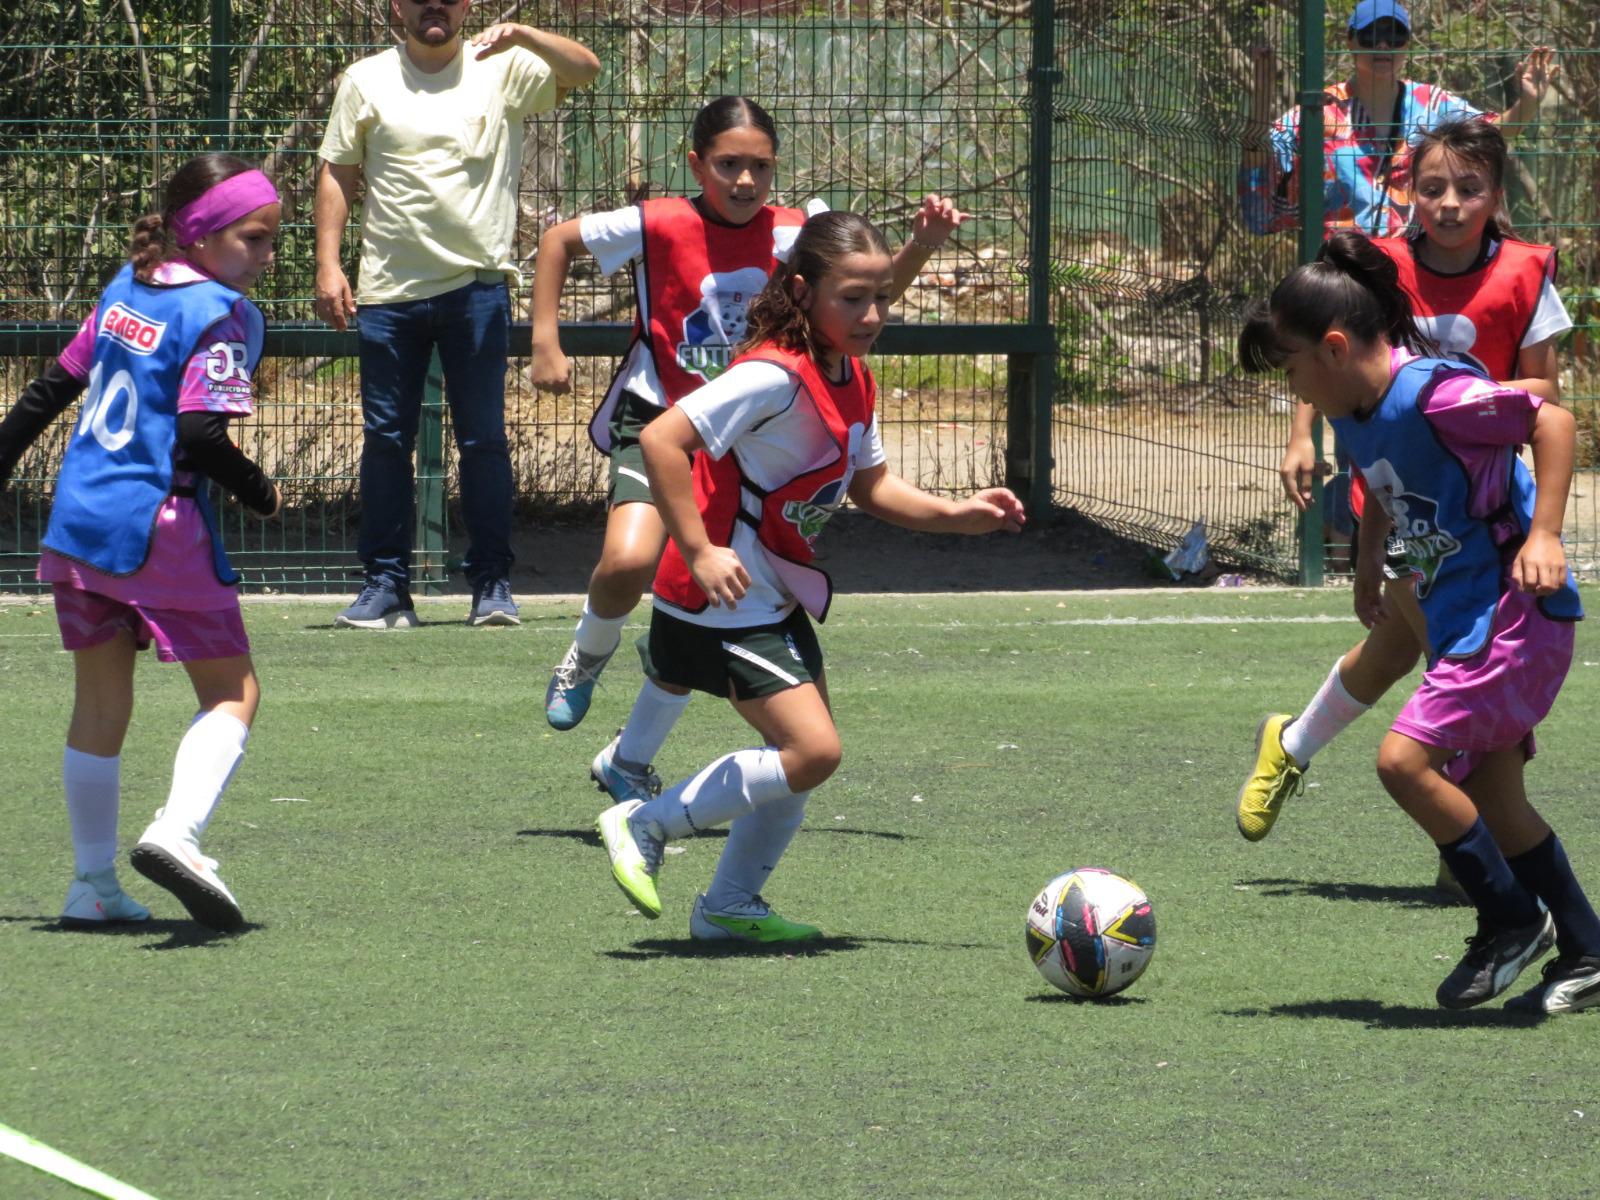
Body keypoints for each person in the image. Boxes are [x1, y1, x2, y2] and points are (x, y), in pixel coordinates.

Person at [592, 211, 1024, 943]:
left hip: (771, 596)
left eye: (881, 297)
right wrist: (698, 547)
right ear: (803, 292)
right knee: (813, 751)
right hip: (721, 600)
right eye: (852, 298)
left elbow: (872, 487)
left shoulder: (852, 377)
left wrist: (957, 513)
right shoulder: (770, 376)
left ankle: (729, 907)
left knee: (801, 762)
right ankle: (646, 823)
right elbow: (663, 438)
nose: (872, 314)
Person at [1238, 229, 1600, 1014]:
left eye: (1294, 369)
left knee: (1403, 763)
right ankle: (1588, 947)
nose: (1295, 388)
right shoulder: (1358, 406)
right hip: (1463, 621)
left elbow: (1556, 422)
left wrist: (1543, 535)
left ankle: (1510, 921)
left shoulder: (1436, 394)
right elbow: (1384, 478)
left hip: (1510, 618)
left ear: (1334, 349)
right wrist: (1369, 559)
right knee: (1499, 802)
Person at [533, 95, 968, 746]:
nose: (744, 181)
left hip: (745, 435)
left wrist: (921, 246)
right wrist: (546, 337)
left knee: (711, 591)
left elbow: (863, 300)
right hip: (663, 415)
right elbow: (557, 241)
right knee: (628, 562)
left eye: (759, 167)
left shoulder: (798, 234)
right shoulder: (657, 222)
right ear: (696, 164)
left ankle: (634, 759)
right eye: (728, 164)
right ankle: (586, 656)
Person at [1238, 119, 1573, 873]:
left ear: (1496, 194)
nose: (1449, 203)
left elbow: (1549, 392)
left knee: (1403, 647)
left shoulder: (1524, 271)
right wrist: (1303, 437)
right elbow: (1315, 350)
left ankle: (1294, 746)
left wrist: (1453, 400)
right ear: (1407, 191)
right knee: (1451, 658)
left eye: (1468, 188)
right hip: (1406, 498)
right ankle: (1489, 855)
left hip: (1482, 495)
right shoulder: (1376, 266)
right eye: (1432, 188)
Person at [0, 154, 284, 932]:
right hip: (159, 527)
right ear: (199, 236)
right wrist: (258, 489)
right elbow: (198, 431)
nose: (265, 257)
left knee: (98, 704)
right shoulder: (220, 312)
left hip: (79, 524)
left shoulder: (127, 287)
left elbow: (46, 393)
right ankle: (178, 834)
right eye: (254, 240)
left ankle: (91, 884)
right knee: (233, 692)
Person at [315, 0, 600, 629]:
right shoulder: (366, 79)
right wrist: (328, 264)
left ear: (467, 5)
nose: (433, 6)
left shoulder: (502, 66)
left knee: (483, 442)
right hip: (388, 293)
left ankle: (492, 586)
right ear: (398, 7)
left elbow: (586, 69)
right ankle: (386, 586)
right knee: (386, 442)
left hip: (477, 291)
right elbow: (338, 170)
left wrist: (524, 31)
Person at [1239, 1, 1557, 240]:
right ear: (1349, 40)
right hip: (1342, 274)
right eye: (1370, 36)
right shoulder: (1319, 111)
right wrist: (1262, 93)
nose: (1383, 46)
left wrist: (1529, 100)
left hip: (1417, 272)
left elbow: (1491, 135)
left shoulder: (1430, 103)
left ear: (1407, 44)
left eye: (1395, 36)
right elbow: (1260, 166)